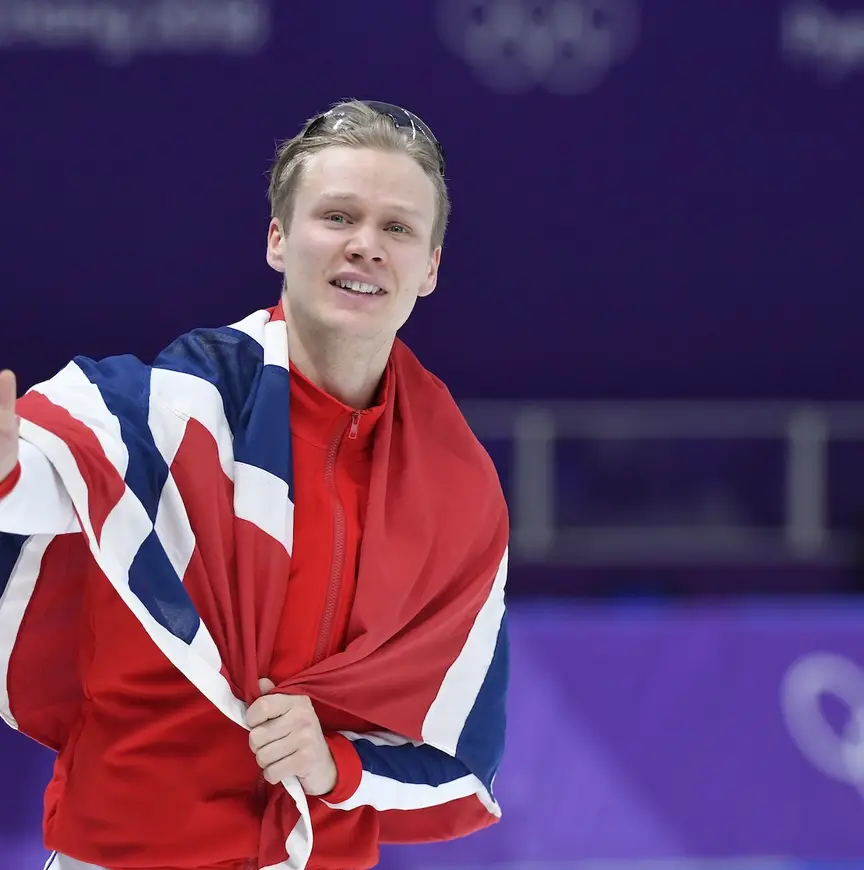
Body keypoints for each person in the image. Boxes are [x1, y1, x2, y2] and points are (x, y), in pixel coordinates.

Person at [0, 100, 510, 870]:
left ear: (431, 268)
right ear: (278, 239)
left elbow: (463, 753)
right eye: (337, 216)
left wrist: (338, 765)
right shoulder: (178, 406)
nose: (366, 245)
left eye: (398, 228)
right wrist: (7, 471)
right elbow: (57, 479)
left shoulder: (456, 486)